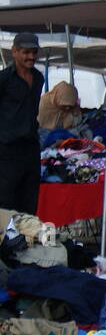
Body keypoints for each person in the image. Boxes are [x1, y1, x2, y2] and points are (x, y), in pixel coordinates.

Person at [0, 33, 44, 215]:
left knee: (29, 200)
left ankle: (25, 240)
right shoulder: (4, 79)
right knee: (6, 201)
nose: (31, 57)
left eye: (34, 52)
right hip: (7, 150)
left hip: (30, 148)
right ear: (15, 52)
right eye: (26, 52)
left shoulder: (38, 78)